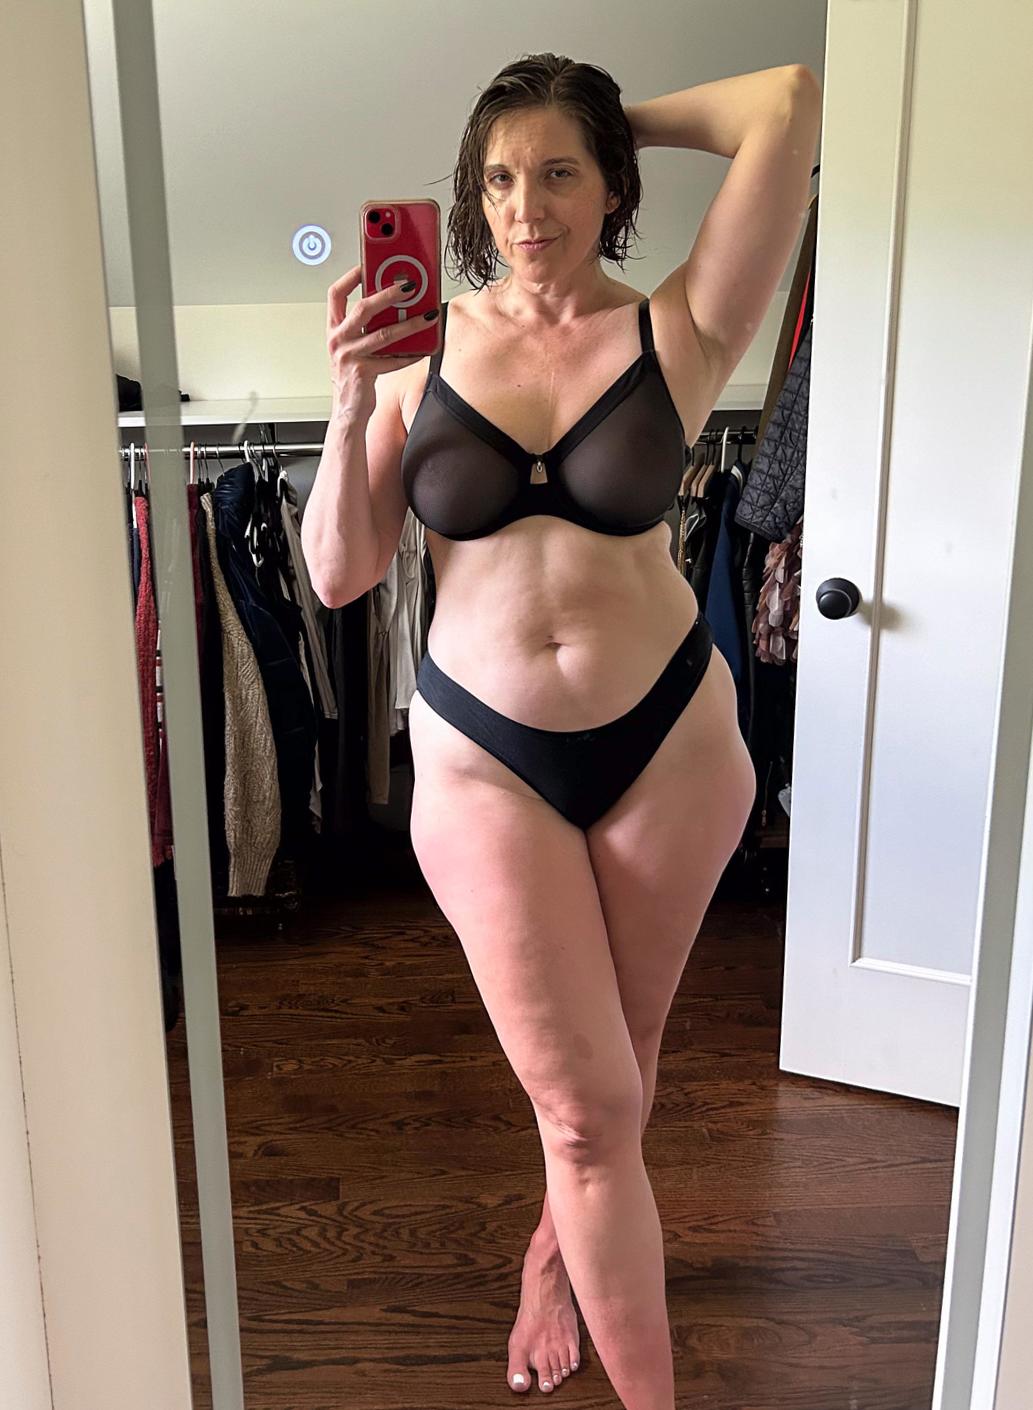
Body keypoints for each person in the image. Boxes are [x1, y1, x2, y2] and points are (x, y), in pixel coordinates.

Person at [303, 51, 821, 1409]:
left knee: (614, 1073)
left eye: (557, 171)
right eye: (496, 179)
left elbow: (784, 103)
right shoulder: (418, 354)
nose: (523, 206)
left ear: (610, 189)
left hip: (669, 747)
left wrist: (603, 113)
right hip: (486, 760)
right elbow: (341, 574)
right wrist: (350, 404)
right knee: (589, 1107)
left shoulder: (682, 326)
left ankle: (555, 1251)